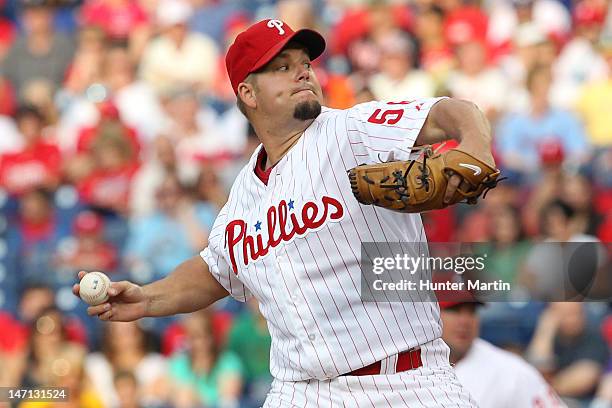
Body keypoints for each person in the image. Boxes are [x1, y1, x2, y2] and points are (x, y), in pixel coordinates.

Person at [75, 18, 497, 406]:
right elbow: (215, 270)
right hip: (300, 391)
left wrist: (474, 146)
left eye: (304, 63)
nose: (303, 71)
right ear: (247, 92)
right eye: (281, 66)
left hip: (404, 383)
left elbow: (453, 113)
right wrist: (146, 297)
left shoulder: (352, 130)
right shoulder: (244, 192)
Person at [439, 296, 564, 408]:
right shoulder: (420, 365)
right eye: (454, 310)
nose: (465, 321)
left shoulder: (513, 372)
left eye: (472, 311)